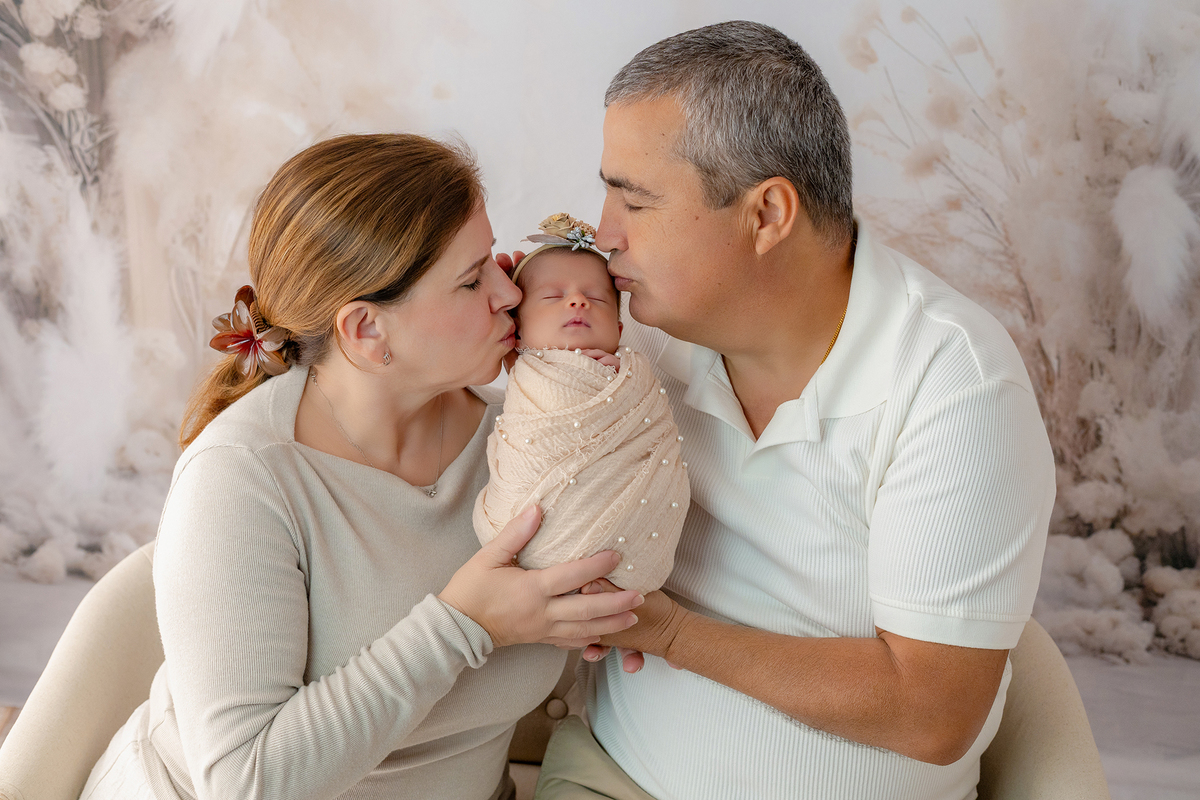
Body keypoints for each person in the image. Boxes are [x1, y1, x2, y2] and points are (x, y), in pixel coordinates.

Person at [530, 21, 1056, 800]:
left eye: (634, 201)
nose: (605, 236)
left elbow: (933, 711)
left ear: (768, 213)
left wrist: (672, 633)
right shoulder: (627, 329)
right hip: (614, 778)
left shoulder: (953, 384)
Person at [78, 134, 644, 800]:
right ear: (367, 331)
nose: (509, 293)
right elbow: (245, 783)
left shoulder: (522, 440)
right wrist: (463, 624)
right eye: (471, 280)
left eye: (495, 261)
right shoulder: (242, 479)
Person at [474, 214, 689, 595]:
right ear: (516, 328)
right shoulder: (527, 377)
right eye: (554, 297)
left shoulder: (633, 377)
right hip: (525, 543)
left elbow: (651, 429)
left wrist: (625, 379)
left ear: (620, 331)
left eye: (597, 298)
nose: (577, 301)